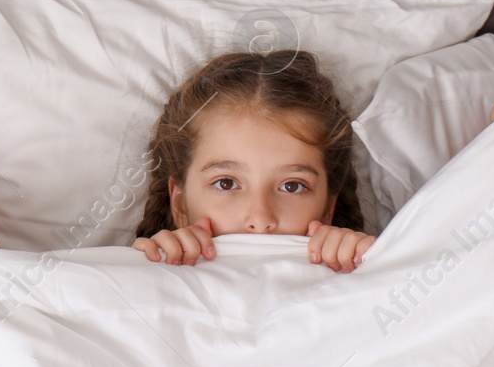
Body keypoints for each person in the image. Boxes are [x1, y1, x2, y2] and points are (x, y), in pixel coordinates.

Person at [133, 49, 376, 271]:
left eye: (292, 186)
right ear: (179, 204)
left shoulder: (361, 276)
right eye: (225, 183)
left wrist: (378, 266)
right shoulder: (151, 273)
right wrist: (146, 269)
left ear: (327, 211)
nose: (260, 221)